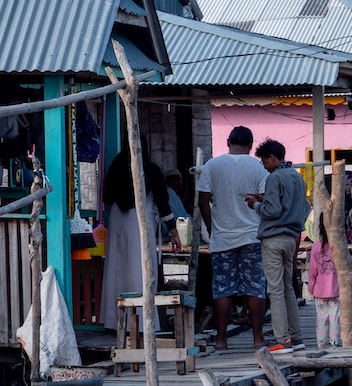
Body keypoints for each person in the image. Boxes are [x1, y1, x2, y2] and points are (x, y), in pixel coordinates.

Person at [197, 126, 268, 349]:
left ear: (228, 141)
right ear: (251, 144)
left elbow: (203, 201)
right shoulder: (258, 167)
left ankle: (221, 340)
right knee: (255, 287)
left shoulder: (212, 165)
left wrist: (211, 227)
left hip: (222, 237)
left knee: (223, 288)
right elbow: (265, 200)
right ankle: (258, 338)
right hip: (252, 236)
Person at [100, 144, 180, 331]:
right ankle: (142, 323)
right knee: (139, 270)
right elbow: (163, 202)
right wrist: (173, 230)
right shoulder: (151, 170)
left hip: (117, 220)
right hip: (139, 221)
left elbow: (107, 194)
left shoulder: (116, 167)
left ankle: (114, 321)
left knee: (116, 271)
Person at [247, 139, 310, 353]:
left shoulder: (274, 178)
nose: (264, 166)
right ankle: (296, 337)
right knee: (288, 288)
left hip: (273, 238)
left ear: (272, 158)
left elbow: (272, 211)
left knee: (275, 291)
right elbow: (304, 207)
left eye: (264, 161)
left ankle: (282, 340)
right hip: (291, 238)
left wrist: (256, 204)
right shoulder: (296, 176)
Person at [308, 213, 341, 348]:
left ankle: (320, 344)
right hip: (336, 290)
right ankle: (335, 342)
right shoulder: (340, 246)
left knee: (321, 318)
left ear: (320, 227)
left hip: (320, 291)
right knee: (335, 318)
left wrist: (311, 288)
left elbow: (312, 271)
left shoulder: (316, 247)